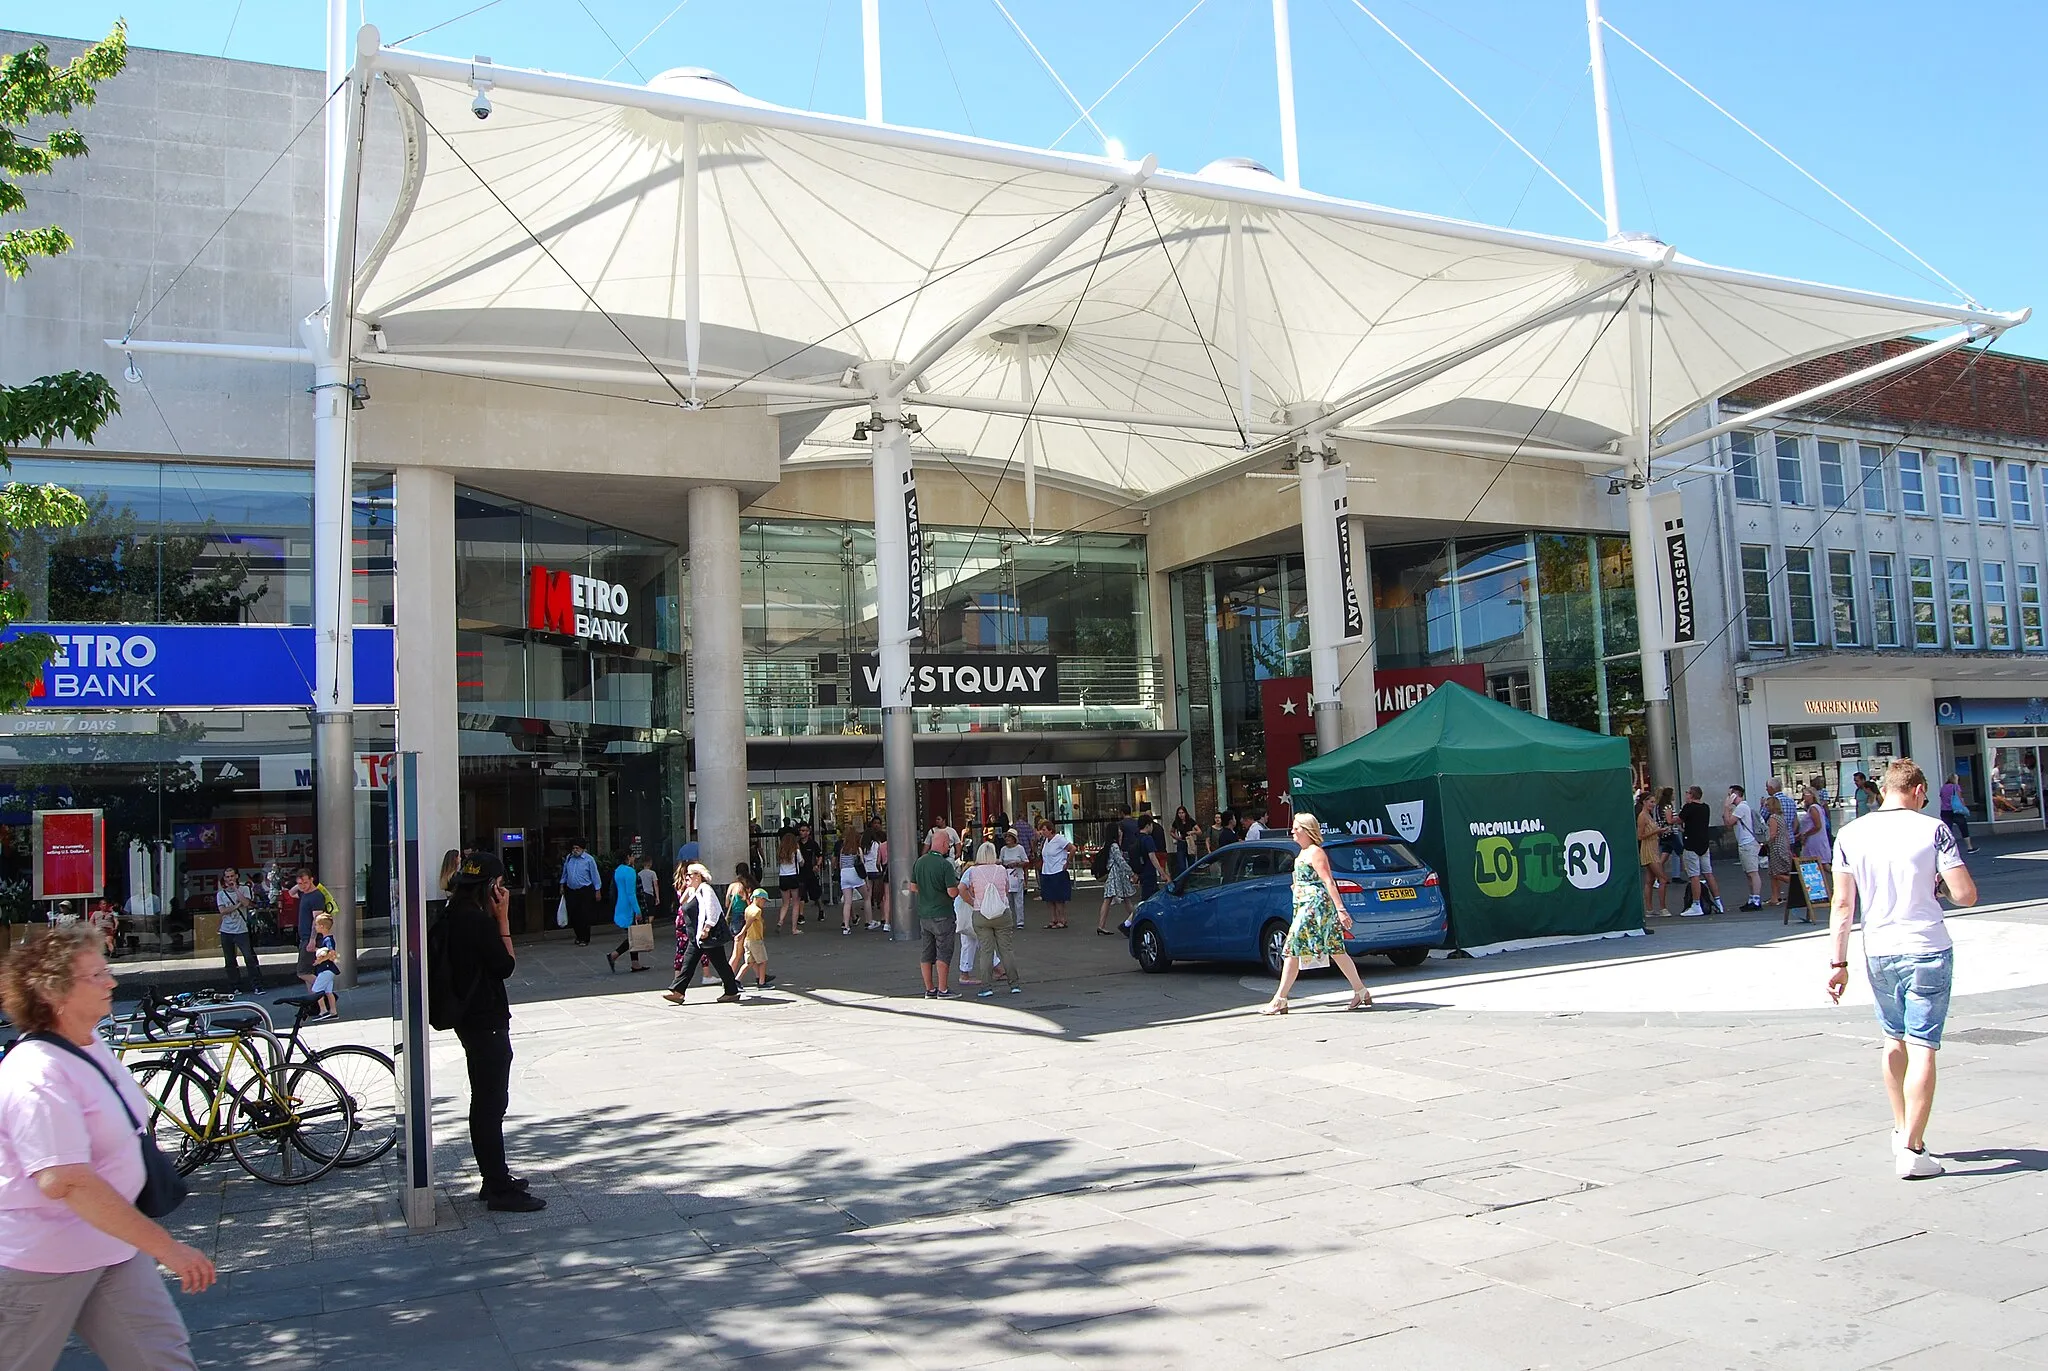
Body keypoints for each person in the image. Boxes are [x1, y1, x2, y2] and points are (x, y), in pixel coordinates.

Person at [0, 927, 217, 1371]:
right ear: (52, 990)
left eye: (107, 970)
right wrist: (168, 1249)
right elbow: (67, 1181)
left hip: (112, 1248)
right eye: (96, 975)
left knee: (163, 1359)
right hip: (40, 1262)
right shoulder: (36, 1075)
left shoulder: (90, 1044)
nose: (111, 982)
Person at [1827, 759, 1979, 1179]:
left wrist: (1838, 963)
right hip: (1926, 947)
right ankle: (1913, 1149)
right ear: (1917, 790)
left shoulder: (1850, 833)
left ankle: (1899, 1127)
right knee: (1923, 1046)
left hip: (1879, 950)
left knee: (1893, 1040)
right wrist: (1938, 890)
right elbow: (1965, 894)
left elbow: (1842, 905)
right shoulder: (1932, 829)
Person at [440, 853, 545, 1211]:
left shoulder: (451, 914)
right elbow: (505, 966)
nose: (503, 892)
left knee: (484, 1102)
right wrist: (503, 920)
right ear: (491, 887)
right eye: (499, 885)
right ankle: (497, 1186)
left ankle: (494, 1177)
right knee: (490, 1104)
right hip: (486, 1020)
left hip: (467, 1019)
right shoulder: (478, 921)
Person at [1259, 813, 1371, 1015]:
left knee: (1293, 948)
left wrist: (1341, 909)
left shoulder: (1315, 852)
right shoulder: (1302, 853)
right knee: (1335, 948)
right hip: (1305, 905)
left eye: (1296, 828)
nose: (1292, 831)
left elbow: (1328, 881)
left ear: (1307, 830)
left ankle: (1280, 999)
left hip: (1315, 908)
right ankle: (1360, 991)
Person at [663, 864, 741, 1005]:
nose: (687, 877)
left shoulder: (705, 889)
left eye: (690, 875)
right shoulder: (695, 890)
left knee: (720, 963)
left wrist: (707, 928)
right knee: (688, 963)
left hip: (707, 935)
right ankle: (678, 992)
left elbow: (712, 909)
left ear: (698, 876)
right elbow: (682, 902)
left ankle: (732, 991)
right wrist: (689, 887)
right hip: (697, 937)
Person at [960, 841, 1023, 998]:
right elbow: (1007, 890)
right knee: (1006, 949)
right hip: (1002, 913)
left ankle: (986, 987)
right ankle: (1014, 984)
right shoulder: (1001, 870)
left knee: (986, 951)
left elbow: (961, 888)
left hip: (981, 913)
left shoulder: (973, 871)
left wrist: (972, 901)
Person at [910, 835, 960, 999]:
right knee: (943, 951)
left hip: (924, 914)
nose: (949, 848)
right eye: (949, 845)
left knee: (926, 952)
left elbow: (913, 887)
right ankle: (943, 989)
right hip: (943, 913)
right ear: (944, 844)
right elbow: (952, 892)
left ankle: (929, 989)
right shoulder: (945, 865)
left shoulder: (920, 862)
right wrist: (958, 889)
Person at [214, 866, 261, 993]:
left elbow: (246, 903)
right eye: (227, 877)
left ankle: (256, 985)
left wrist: (235, 888)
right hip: (226, 931)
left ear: (236, 876)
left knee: (249, 958)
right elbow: (223, 911)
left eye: (232, 876)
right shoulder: (221, 894)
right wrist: (237, 905)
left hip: (241, 930)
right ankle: (235, 986)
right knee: (230, 960)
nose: (230, 879)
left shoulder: (245, 889)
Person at [1677, 786, 1720, 917]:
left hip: (1691, 844)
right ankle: (1718, 902)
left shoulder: (1688, 807)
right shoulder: (1705, 807)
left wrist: (1669, 816)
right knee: (1708, 873)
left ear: (1691, 795)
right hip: (1703, 843)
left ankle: (1696, 904)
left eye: (1687, 793)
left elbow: (1677, 820)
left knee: (1694, 875)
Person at [1095, 819, 1139, 936]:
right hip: (1116, 875)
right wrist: (1131, 873)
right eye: (1119, 830)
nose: (1121, 832)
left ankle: (1102, 925)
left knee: (1111, 899)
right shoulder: (1114, 846)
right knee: (1125, 898)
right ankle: (1134, 921)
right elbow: (1120, 861)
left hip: (1113, 875)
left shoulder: (1108, 844)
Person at [1723, 786, 1763, 910]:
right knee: (1748, 873)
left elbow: (1729, 822)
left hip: (1748, 843)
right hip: (1744, 843)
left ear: (1736, 794)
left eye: (1730, 794)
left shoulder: (1742, 807)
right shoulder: (1740, 808)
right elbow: (1728, 824)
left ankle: (1756, 900)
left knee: (1753, 872)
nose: (1728, 797)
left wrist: (1726, 807)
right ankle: (1752, 898)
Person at [730, 889, 775, 989]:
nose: (764, 903)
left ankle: (737, 980)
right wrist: (742, 932)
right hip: (756, 940)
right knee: (762, 961)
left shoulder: (748, 908)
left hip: (749, 939)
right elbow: (750, 921)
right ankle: (762, 983)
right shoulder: (757, 910)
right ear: (758, 899)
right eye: (764, 900)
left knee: (749, 963)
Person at [290, 868, 327, 989]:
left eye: (306, 882)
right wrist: (300, 884)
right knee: (308, 972)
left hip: (310, 938)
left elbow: (317, 920)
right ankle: (315, 1002)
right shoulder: (303, 893)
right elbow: (291, 892)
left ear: (312, 880)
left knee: (303, 972)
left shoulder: (316, 896)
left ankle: (326, 991)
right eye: (300, 883)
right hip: (304, 937)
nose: (303, 886)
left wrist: (312, 939)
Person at [559, 840, 601, 947]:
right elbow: (565, 873)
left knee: (584, 914)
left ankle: (585, 938)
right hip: (571, 890)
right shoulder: (569, 858)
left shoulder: (589, 860)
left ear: (583, 849)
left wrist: (597, 890)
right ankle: (578, 935)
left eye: (577, 848)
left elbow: (595, 875)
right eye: (573, 848)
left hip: (585, 890)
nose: (575, 850)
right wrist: (562, 885)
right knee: (573, 914)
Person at [1795, 785, 1833, 901]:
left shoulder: (1814, 808)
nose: (1804, 797)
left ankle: (1819, 889)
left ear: (1812, 795)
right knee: (1823, 864)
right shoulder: (1814, 808)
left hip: (1814, 840)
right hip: (1815, 839)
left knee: (1818, 863)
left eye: (1806, 794)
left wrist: (1805, 834)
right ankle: (1826, 887)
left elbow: (1817, 826)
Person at [1035, 820, 1072, 930]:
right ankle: (1053, 919)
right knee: (1049, 898)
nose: (1042, 832)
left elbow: (1072, 848)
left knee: (1058, 898)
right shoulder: (1045, 841)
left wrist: (1067, 862)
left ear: (1050, 830)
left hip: (1058, 871)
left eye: (1044, 830)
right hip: (1047, 871)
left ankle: (1062, 919)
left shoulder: (1059, 839)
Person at [1635, 791, 1666, 916]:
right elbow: (1640, 836)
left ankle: (1649, 909)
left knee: (1650, 880)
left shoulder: (1648, 815)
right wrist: (1656, 831)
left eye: (1654, 802)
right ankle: (1663, 908)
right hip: (1648, 849)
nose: (1653, 804)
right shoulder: (1642, 816)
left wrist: (1658, 832)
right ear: (1644, 802)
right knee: (1663, 879)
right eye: (1651, 802)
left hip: (1653, 848)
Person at [308, 913, 340, 1020]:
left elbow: (332, 953)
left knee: (316, 990)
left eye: (316, 925)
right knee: (328, 992)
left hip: (325, 969)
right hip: (329, 970)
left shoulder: (327, 940)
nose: (315, 927)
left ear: (322, 927)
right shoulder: (326, 939)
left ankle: (323, 1010)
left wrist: (320, 960)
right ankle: (333, 1011)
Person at [1938, 774, 1978, 852]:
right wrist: (1964, 807)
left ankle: (1945, 849)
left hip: (1945, 811)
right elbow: (1959, 798)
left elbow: (1942, 797)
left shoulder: (1943, 787)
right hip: (1956, 811)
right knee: (1963, 828)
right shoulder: (1955, 787)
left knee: (1947, 830)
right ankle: (1969, 847)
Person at [999, 829, 1029, 930]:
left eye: (1009, 837)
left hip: (1017, 876)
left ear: (1014, 839)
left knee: (1018, 900)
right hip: (1006, 876)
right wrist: (1004, 865)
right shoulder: (1003, 849)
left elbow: (1026, 861)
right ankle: (1009, 921)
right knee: (1008, 900)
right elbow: (1000, 861)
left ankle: (1020, 921)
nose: (1007, 839)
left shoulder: (1020, 849)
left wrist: (1016, 864)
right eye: (1006, 837)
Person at [835, 834, 865, 934]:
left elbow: (840, 863)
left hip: (844, 874)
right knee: (867, 896)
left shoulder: (842, 850)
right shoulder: (857, 849)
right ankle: (869, 921)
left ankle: (846, 926)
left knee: (847, 902)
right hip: (854, 873)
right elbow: (862, 863)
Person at [796, 822, 825, 923]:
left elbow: (820, 855)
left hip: (811, 871)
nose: (801, 833)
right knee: (801, 894)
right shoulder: (797, 844)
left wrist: (817, 865)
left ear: (808, 832)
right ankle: (801, 915)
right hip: (801, 872)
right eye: (800, 830)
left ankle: (821, 910)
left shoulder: (813, 844)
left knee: (816, 894)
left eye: (804, 831)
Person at [774, 829, 803, 933]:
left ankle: (780, 921)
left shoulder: (780, 852)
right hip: (793, 876)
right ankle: (794, 929)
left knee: (785, 903)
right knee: (795, 903)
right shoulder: (796, 851)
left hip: (783, 877)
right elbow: (801, 862)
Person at [863, 822, 889, 932]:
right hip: (876, 870)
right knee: (881, 896)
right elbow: (878, 860)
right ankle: (883, 918)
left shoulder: (863, 845)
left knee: (868, 896)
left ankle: (868, 919)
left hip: (867, 870)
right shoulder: (877, 844)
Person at [1169, 806, 1199, 878]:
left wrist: (1192, 832)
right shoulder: (1176, 822)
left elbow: (1199, 831)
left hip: (1189, 842)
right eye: (1179, 813)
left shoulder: (1190, 821)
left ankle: (1191, 880)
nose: (1181, 815)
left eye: (1182, 813)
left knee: (1191, 864)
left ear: (1185, 813)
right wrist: (1177, 837)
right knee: (1182, 866)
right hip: (1181, 842)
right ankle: (1183, 880)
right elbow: (1171, 832)